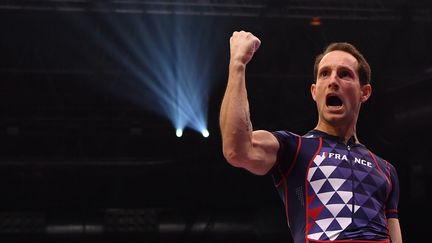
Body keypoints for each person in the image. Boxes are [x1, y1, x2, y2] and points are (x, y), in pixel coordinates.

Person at [219, 30, 402, 243]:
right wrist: (238, 64)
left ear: (365, 92)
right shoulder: (293, 147)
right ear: (315, 91)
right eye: (325, 73)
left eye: (344, 74)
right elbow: (237, 149)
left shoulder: (386, 170)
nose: (333, 80)